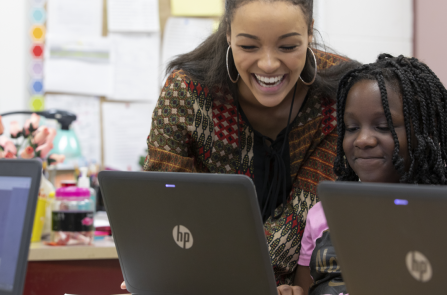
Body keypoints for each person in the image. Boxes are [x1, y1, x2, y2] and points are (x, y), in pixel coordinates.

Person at [121, 0, 359, 293]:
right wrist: (158, 265)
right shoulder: (187, 91)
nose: (268, 64)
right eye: (249, 47)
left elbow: (306, 213)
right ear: (228, 35)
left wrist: (230, 276)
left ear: (310, 32)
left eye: (287, 47)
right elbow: (164, 201)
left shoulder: (341, 91)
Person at [294, 54, 447, 295]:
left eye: (383, 127)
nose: (363, 140)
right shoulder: (323, 214)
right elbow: (305, 288)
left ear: (424, 133)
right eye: (351, 128)